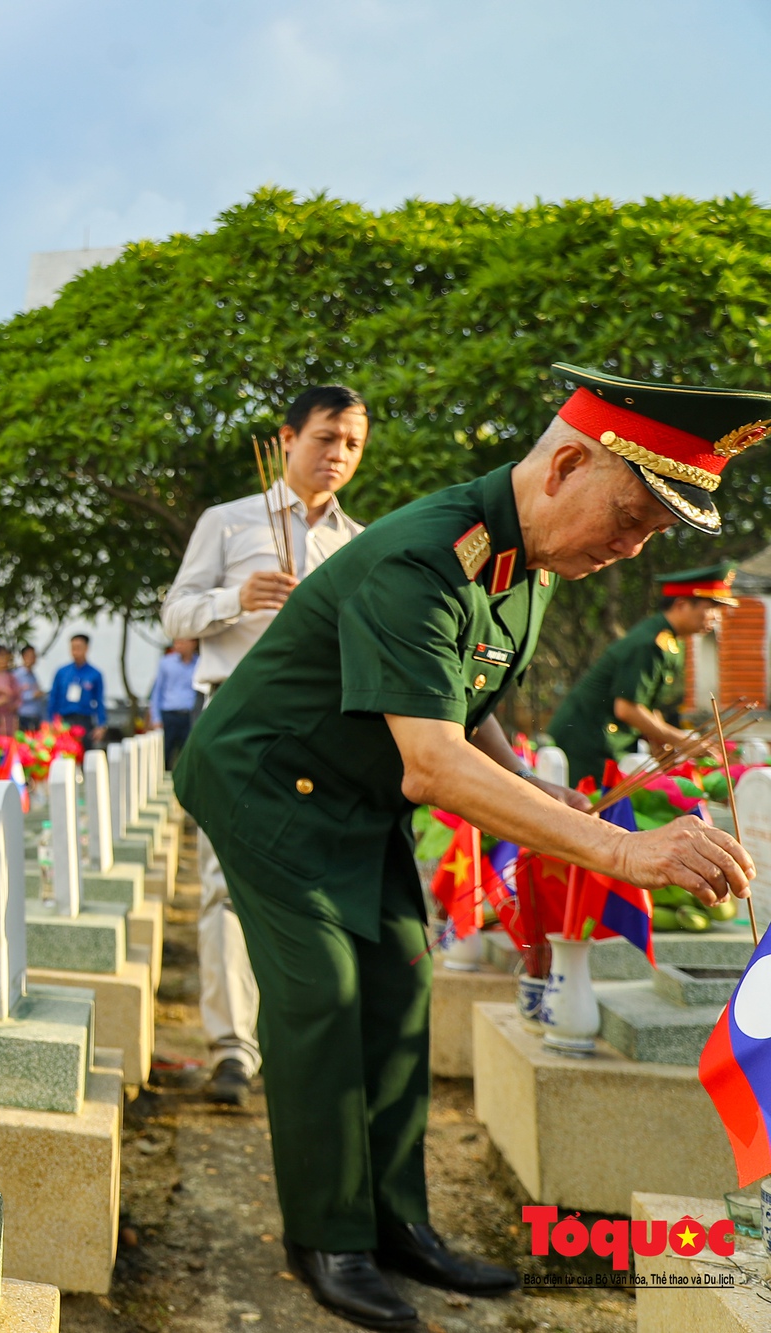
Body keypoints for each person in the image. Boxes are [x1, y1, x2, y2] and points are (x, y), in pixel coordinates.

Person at [173, 363, 760, 1330]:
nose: (631, 546)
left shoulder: (525, 564)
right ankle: (328, 1237)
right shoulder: (428, 558)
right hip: (268, 780)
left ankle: (399, 1224)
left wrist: (538, 786)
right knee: (323, 994)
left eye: (653, 533)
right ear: (567, 465)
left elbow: (462, 705)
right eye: (632, 517)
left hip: (357, 786)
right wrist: (622, 853)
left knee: (403, 981)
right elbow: (434, 768)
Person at [160, 384, 371, 1110]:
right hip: (235, 723)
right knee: (223, 884)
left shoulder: (361, 541)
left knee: (309, 887)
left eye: (352, 442)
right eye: (325, 437)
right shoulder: (227, 521)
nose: (337, 454)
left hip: (323, 732)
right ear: (287, 439)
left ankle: (297, 1038)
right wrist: (235, 600)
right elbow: (174, 614)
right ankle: (231, 1048)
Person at [546, 564, 735, 785]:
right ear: (682, 605)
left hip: (605, 738)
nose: (715, 618)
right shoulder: (649, 643)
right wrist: (684, 741)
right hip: (587, 740)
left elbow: (645, 702)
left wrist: (663, 739)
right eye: (710, 608)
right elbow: (627, 709)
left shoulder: (669, 642)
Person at [148, 638, 200, 767]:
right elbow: (157, 692)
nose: (178, 645)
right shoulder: (166, 663)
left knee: (188, 754)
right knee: (164, 753)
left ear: (193, 643)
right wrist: (156, 718)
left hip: (190, 715)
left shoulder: (200, 663)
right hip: (169, 715)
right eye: (177, 642)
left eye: (182, 642)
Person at [48, 634, 106, 746]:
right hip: (64, 720)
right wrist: (50, 720)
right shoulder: (62, 672)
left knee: (84, 754)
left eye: (79, 647)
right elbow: (53, 697)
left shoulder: (95, 674)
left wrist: (101, 725)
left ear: (86, 648)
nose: (75, 651)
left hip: (84, 720)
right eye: (73, 648)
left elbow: (100, 701)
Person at [0, 646, 22, 735]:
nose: (4, 659)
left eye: (6, 656)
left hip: (9, 719)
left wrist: (13, 706)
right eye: (0, 656)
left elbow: (18, 697)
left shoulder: (11, 677)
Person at [14, 645, 45, 731]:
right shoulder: (18, 675)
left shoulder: (33, 675)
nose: (33, 659)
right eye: (30, 656)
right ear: (24, 656)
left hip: (35, 715)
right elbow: (15, 695)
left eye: (34, 656)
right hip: (23, 716)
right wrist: (33, 695)